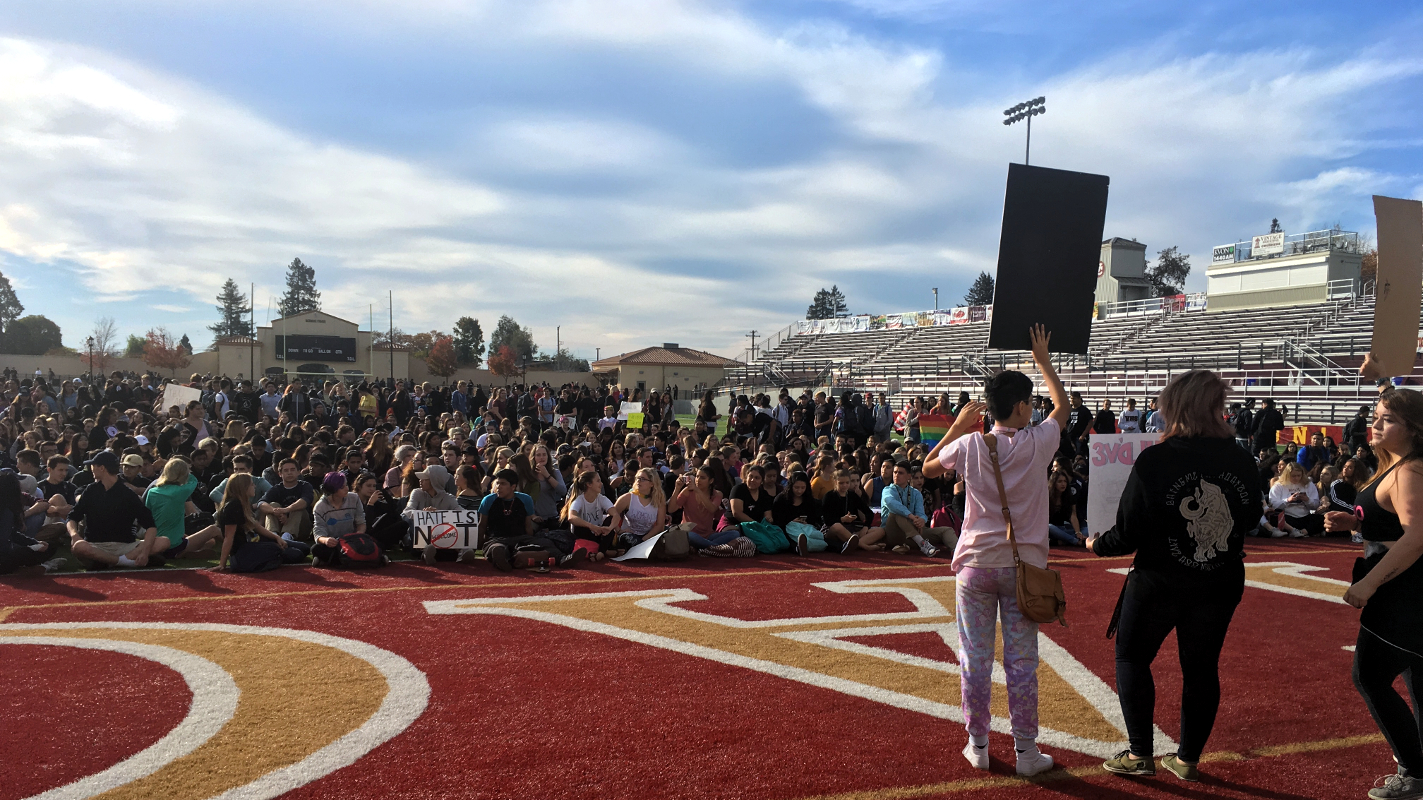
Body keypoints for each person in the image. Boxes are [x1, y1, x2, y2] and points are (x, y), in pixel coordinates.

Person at [1086, 370, 1263, 782]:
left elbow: (1128, 532)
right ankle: (1187, 759)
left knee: (1132, 657)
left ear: (1174, 408)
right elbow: (1253, 517)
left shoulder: (1157, 459)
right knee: (1202, 668)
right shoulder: (1240, 457)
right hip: (1219, 579)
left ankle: (1139, 753)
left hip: (1159, 579)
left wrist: (1096, 545)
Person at [922, 324, 1067, 777]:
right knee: (1022, 661)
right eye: (1030, 403)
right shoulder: (1038, 442)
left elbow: (928, 468)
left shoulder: (969, 444)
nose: (1034, 408)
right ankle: (1026, 751)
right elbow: (1063, 408)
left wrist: (957, 427)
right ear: (1021, 407)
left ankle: (978, 744)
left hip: (976, 564)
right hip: (1023, 566)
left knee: (975, 657)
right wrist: (1043, 362)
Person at [1324, 381, 1423, 800]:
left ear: (1414, 428)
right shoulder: (1397, 465)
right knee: (1418, 681)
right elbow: (1394, 524)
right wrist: (1356, 523)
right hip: (1405, 592)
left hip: (1403, 595)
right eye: (1376, 417)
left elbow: (1417, 537)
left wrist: (1369, 582)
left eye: (1389, 420)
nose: (1376, 425)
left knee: (1369, 676)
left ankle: (1414, 771)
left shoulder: (1411, 471)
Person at [67, 451, 163, 569]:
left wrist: (145, 552)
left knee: (163, 541)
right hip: (96, 545)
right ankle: (123, 562)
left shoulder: (127, 494)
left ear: (102, 468)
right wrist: (74, 536)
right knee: (79, 546)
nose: (91, 468)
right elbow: (72, 517)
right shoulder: (91, 490)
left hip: (124, 546)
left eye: (93, 465)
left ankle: (108, 561)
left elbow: (150, 525)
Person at [478, 468, 581, 571]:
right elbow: (482, 525)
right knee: (496, 548)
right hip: (497, 539)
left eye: (503, 484)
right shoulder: (488, 500)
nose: (498, 487)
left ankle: (563, 559)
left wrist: (532, 540)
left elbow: (528, 525)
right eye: (497, 483)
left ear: (513, 486)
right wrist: (478, 544)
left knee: (546, 543)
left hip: (521, 537)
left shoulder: (525, 499)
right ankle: (503, 561)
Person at [212, 473, 302, 572]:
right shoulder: (233, 506)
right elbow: (229, 537)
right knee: (295, 554)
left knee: (303, 547)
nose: (254, 486)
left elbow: (256, 526)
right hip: (243, 552)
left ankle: (275, 555)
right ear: (243, 487)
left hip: (254, 543)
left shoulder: (243, 504)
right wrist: (222, 563)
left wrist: (276, 537)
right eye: (251, 484)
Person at [144, 458, 223, 560]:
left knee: (208, 542)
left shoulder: (152, 492)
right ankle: (237, 548)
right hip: (175, 545)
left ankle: (188, 553)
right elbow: (193, 480)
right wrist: (185, 470)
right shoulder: (182, 491)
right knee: (213, 530)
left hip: (156, 542)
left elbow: (147, 516)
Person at [880, 460, 953, 557]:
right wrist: (911, 516)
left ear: (909, 476)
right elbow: (891, 503)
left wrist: (921, 520)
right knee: (896, 513)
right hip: (892, 533)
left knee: (946, 530)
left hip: (913, 532)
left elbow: (921, 513)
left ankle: (957, 550)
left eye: (900, 473)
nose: (896, 475)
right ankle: (923, 544)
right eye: (895, 472)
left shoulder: (916, 493)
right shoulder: (887, 490)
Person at [0, 472, 64, 574]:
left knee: (49, 546)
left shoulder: (10, 508)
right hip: (5, 555)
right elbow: (4, 544)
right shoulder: (6, 512)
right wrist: (30, 548)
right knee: (26, 553)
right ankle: (33, 568)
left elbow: (11, 533)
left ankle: (27, 568)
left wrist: (34, 543)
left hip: (8, 550)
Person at [311, 472, 374, 566]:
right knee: (316, 549)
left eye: (346, 485)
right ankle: (360, 560)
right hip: (335, 543)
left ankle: (335, 561)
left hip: (353, 540)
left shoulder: (354, 498)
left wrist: (359, 534)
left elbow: (361, 521)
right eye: (342, 487)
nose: (347, 488)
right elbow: (318, 531)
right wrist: (326, 540)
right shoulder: (320, 507)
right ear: (332, 489)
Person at [259, 458, 313, 539]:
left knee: (298, 508)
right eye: (286, 470)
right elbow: (261, 503)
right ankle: (273, 535)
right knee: (273, 505)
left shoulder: (305, 486)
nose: (289, 473)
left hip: (301, 527)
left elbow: (305, 501)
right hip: (281, 523)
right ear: (280, 474)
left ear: (298, 472)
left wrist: (286, 510)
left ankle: (287, 537)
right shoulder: (276, 489)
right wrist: (276, 511)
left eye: (292, 470)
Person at [1269, 462, 1322, 537]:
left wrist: (1307, 500)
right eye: (1293, 476)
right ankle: (1300, 531)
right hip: (1287, 516)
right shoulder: (1278, 485)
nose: (1296, 478)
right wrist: (1288, 500)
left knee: (1323, 518)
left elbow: (1316, 505)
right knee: (1274, 518)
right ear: (1287, 475)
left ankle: (1304, 531)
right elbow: (1273, 504)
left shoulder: (1308, 484)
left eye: (1299, 475)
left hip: (1305, 516)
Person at [1047, 470, 1085, 546]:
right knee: (1049, 527)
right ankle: (1075, 541)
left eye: (1065, 481)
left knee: (1086, 530)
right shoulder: (1047, 497)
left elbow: (1073, 515)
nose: (1063, 484)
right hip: (1052, 529)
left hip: (1065, 529)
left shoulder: (1069, 497)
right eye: (1060, 481)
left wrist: (1078, 532)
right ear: (1053, 483)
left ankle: (1062, 541)